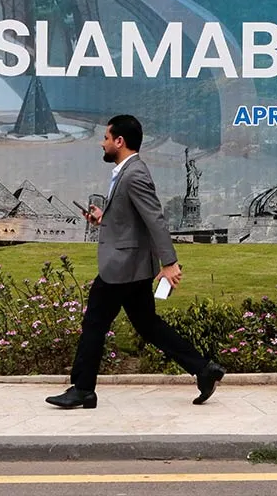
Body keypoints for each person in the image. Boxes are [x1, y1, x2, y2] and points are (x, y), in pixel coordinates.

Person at [46, 114, 225, 409]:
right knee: (147, 325)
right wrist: (103, 218)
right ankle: (204, 369)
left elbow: (155, 219)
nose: (102, 143)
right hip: (132, 266)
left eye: (106, 138)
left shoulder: (134, 174)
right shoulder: (127, 172)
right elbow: (133, 218)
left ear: (120, 141)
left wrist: (170, 262)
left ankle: (83, 389)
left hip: (121, 267)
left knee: (94, 323)